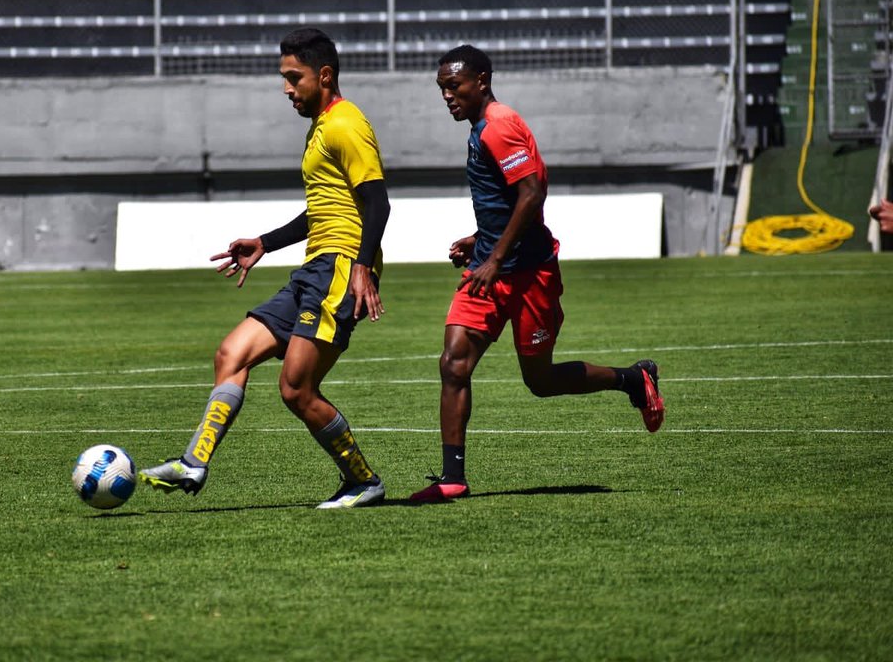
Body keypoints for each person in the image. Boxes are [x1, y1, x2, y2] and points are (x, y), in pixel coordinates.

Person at [140, 28, 392, 509]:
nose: (286, 89)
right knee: (230, 353)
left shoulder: (345, 124)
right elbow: (323, 209)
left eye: (293, 78)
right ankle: (194, 461)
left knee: (296, 390)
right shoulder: (319, 126)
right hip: (313, 267)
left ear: (324, 75)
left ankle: (364, 482)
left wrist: (363, 268)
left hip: (339, 269)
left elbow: (377, 204)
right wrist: (266, 243)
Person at [409, 45, 665, 503]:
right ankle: (453, 478)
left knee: (540, 381)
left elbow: (532, 193)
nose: (447, 95)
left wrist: (494, 257)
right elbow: (509, 200)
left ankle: (633, 378)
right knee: (453, 363)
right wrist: (480, 241)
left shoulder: (500, 125)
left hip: (528, 275)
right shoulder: (481, 128)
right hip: (491, 269)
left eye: (455, 86)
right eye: (442, 88)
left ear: (482, 81)